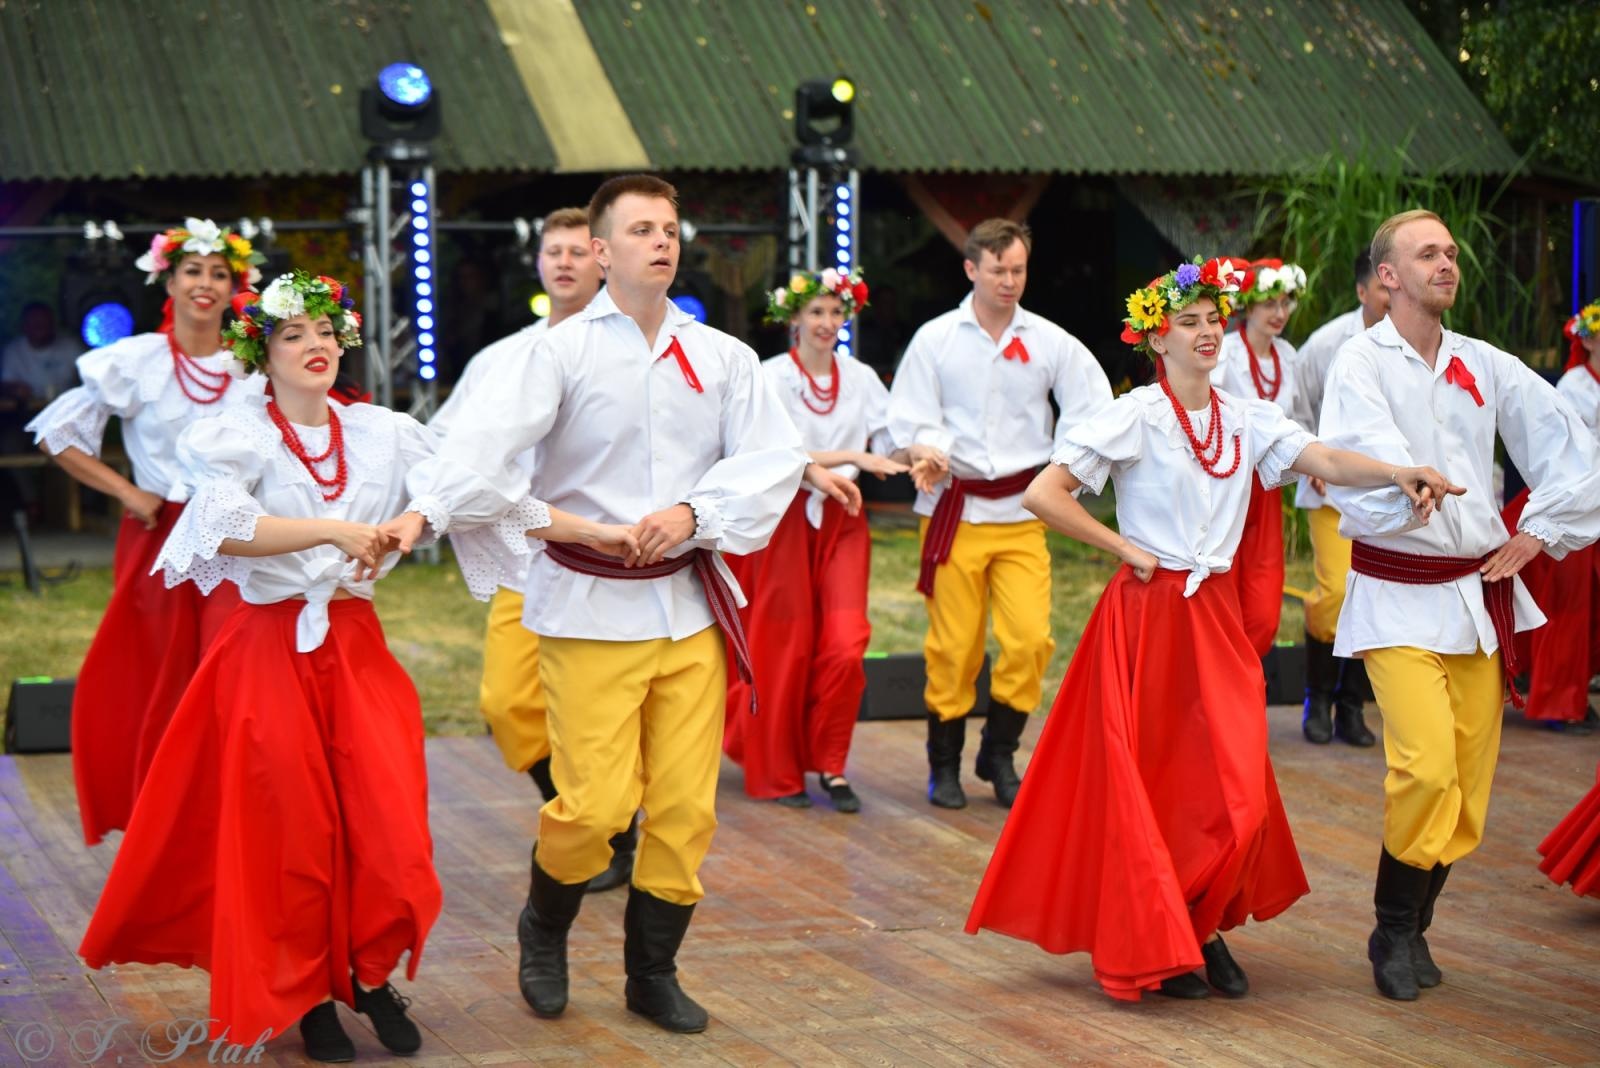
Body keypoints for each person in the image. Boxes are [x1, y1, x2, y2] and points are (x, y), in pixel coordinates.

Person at [966, 256, 1461, 1002]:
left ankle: (1196, 922)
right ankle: (1175, 935)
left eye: (1212, 322)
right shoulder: (1135, 414)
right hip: (1148, 616)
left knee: (1236, 792)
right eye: (1188, 324)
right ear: (1155, 340)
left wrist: (1395, 472)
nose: (1206, 334)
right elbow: (1045, 492)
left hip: (1214, 619)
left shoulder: (1246, 417)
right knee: (1159, 784)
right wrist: (1124, 548)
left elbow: (1318, 455)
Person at [397, 175, 819, 1033]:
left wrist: (694, 514)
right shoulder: (553, 355)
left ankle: (650, 972)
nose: (661, 241)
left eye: (669, 228)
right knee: (592, 808)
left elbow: (776, 457)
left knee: (686, 809)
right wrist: (423, 513)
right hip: (587, 610)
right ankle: (544, 924)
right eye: (640, 229)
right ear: (599, 250)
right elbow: (481, 454)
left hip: (690, 612)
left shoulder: (724, 356)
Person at [78, 273, 442, 1062]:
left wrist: (411, 520)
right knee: (292, 831)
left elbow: (461, 484)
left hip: (352, 645)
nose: (313, 346)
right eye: (291, 335)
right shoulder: (235, 431)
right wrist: (333, 533)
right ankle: (307, 991)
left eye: (324, 332)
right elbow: (221, 524)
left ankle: (371, 976)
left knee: (391, 823)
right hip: (265, 646)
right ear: (262, 353)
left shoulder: (379, 428)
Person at [1318, 210, 1600, 1001]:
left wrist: (1537, 534)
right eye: (1426, 253)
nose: (1446, 262)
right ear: (1387, 277)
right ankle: (1394, 927)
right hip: (1397, 595)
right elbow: (1358, 462)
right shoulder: (1359, 363)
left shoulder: (1486, 362)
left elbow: (1574, 451)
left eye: (1450, 251)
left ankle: (1416, 923)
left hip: (1477, 598)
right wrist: (1403, 483)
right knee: (1425, 768)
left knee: (1468, 793)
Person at [26, 218, 266, 845]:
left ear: (234, 285)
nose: (206, 284)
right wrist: (128, 491)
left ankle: (223, 804)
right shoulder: (137, 361)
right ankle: (158, 809)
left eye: (219, 274)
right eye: (194, 271)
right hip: (162, 536)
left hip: (237, 539)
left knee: (230, 664)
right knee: (157, 670)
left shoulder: (252, 364)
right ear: (170, 280)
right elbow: (56, 434)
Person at [430, 207, 640, 889]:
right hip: (526, 558)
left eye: (579, 251)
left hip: (603, 563)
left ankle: (610, 833)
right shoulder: (504, 357)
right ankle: (588, 814)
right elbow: (447, 442)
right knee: (508, 704)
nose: (565, 263)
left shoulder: (631, 350)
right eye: (554, 251)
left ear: (603, 259)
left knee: (596, 710)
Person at [886, 218, 1112, 809]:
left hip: (1021, 512)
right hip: (954, 510)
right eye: (998, 270)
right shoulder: (935, 339)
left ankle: (1000, 752)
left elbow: (1092, 409)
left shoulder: (1050, 341)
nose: (1009, 281)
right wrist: (926, 447)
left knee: (1030, 639)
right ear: (971, 269)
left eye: (1018, 270)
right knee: (954, 647)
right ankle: (944, 765)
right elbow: (907, 415)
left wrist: (1066, 468)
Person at [723, 267, 902, 812]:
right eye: (816, 312)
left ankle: (831, 764)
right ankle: (777, 771)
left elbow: (893, 443)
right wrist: (854, 456)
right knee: (785, 646)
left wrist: (924, 456)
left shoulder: (862, 378)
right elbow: (768, 451)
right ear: (793, 318)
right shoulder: (770, 377)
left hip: (843, 518)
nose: (827, 323)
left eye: (835, 312)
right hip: (782, 522)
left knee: (847, 645)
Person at [1293, 250, 1390, 745]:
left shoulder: (1417, 341)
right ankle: (1318, 696)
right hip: (1333, 491)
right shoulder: (1328, 342)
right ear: (1361, 290)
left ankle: (1352, 707)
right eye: (1382, 287)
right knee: (1335, 593)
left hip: (1389, 496)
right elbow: (1296, 405)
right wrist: (1310, 456)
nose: (1391, 297)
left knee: (1370, 596)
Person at [1497, 298, 1600, 733]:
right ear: (1589, 338)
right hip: (1572, 502)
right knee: (1569, 604)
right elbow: (1566, 453)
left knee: (1589, 607)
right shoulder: (1576, 385)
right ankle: (1558, 700)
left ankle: (1572, 689)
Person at [1209, 257, 1307, 660]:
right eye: (1270, 304)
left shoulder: (1288, 356)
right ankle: (1219, 687)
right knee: (1222, 591)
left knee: (1264, 610)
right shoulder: (1226, 351)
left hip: (1265, 489)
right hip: (1223, 486)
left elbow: (1298, 421)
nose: (1279, 313)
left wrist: (1310, 463)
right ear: (1248, 306)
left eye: (1285, 303)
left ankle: (1244, 675)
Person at [1, 301, 82, 400]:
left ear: (53, 323)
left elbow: (85, 375)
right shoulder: (12, 351)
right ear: (24, 326)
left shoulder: (71, 345)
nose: (40, 327)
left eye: (44, 322)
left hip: (68, 406)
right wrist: (15, 390)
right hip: (29, 410)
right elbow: (6, 384)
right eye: (34, 322)